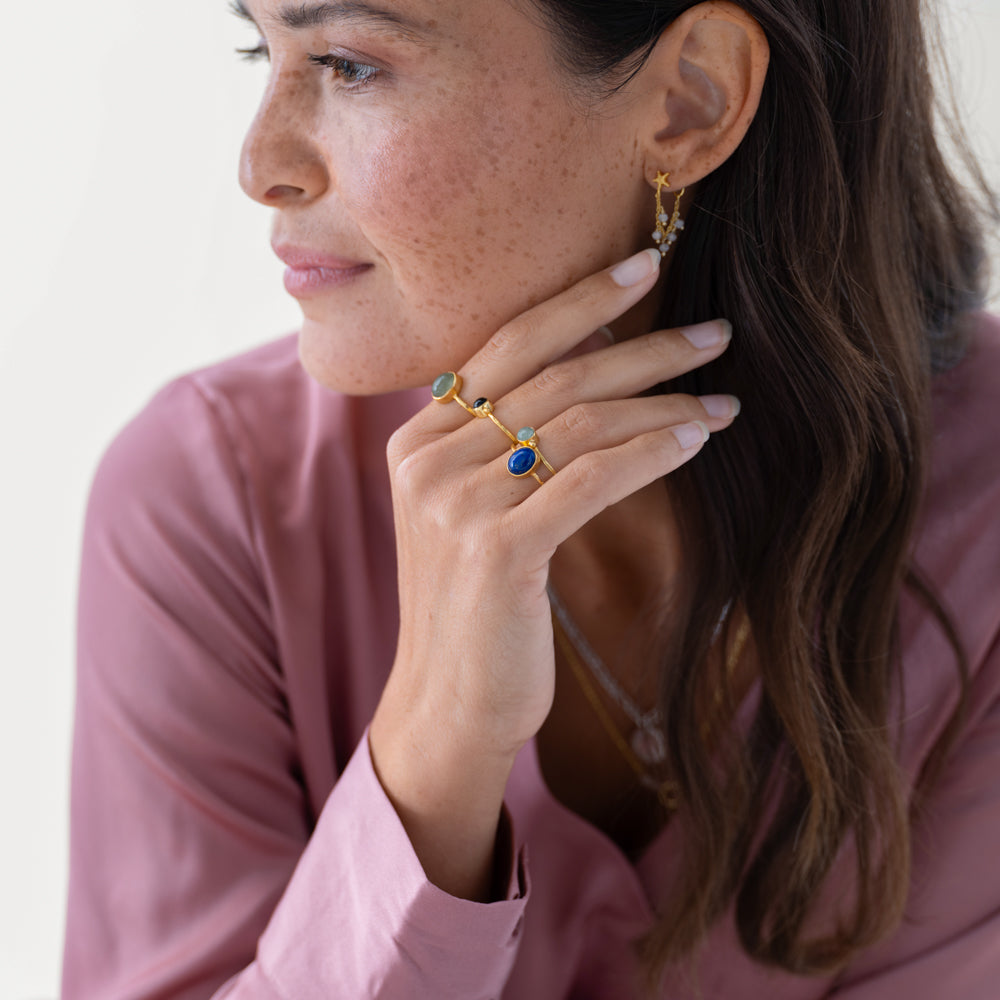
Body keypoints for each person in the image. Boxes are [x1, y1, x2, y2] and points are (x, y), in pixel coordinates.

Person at [61, 0, 999, 997]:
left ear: (691, 99)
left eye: (347, 63)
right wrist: (431, 752)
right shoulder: (211, 501)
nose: (260, 166)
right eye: (263, 48)